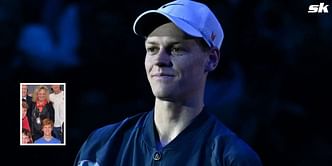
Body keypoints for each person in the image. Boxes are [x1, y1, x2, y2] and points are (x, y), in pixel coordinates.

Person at [75, 1, 262, 165]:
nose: (159, 59)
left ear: (211, 59)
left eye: (176, 49)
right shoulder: (101, 146)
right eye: (152, 48)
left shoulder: (232, 158)